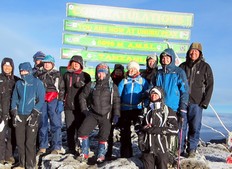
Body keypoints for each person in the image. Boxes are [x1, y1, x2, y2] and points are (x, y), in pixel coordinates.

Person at [78, 63, 120, 163]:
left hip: (107, 115)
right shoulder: (92, 85)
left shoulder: (112, 86)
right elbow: (82, 97)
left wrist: (117, 114)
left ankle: (101, 154)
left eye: (103, 73)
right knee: (82, 131)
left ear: (107, 73)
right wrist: (84, 110)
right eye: (99, 73)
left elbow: (116, 101)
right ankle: (84, 152)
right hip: (93, 113)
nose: (101, 75)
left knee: (104, 136)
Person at [151, 48, 189, 156]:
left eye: (167, 58)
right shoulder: (158, 73)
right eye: (163, 58)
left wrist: (183, 106)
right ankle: (162, 151)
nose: (164, 60)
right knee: (161, 130)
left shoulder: (178, 72)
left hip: (174, 107)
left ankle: (176, 151)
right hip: (159, 107)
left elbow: (185, 90)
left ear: (171, 59)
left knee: (175, 130)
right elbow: (151, 87)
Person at [179, 42, 214, 157]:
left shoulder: (205, 67)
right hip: (183, 102)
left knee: (194, 127)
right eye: (191, 51)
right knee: (181, 127)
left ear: (200, 53)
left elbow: (210, 85)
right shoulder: (182, 66)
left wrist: (205, 102)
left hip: (197, 103)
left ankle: (192, 150)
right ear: (188, 52)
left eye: (196, 51)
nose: (193, 53)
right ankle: (180, 149)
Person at [11, 62, 45, 169]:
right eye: (21, 71)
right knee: (20, 142)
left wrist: (35, 112)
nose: (23, 73)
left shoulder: (37, 83)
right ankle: (22, 164)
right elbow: (15, 99)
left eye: (25, 70)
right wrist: (14, 111)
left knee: (30, 142)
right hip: (20, 115)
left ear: (29, 70)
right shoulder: (18, 84)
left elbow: (41, 99)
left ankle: (30, 165)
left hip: (32, 115)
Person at [137, 86, 178, 169]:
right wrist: (144, 128)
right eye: (152, 94)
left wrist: (157, 130)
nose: (153, 96)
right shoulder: (145, 110)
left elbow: (175, 129)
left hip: (163, 148)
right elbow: (137, 127)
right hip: (147, 149)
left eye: (156, 94)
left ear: (160, 96)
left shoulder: (167, 111)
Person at [118, 61, 149, 158]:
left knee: (140, 131)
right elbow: (118, 95)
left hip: (138, 109)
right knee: (125, 133)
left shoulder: (142, 81)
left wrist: (145, 105)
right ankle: (125, 154)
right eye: (130, 68)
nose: (132, 70)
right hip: (125, 109)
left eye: (134, 69)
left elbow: (147, 94)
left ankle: (144, 152)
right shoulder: (124, 81)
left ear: (138, 70)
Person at [36, 55, 65, 155]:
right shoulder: (39, 74)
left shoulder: (57, 74)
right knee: (42, 124)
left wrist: (60, 101)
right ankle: (42, 146)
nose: (47, 65)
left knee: (55, 124)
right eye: (45, 63)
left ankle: (56, 147)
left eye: (49, 63)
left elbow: (62, 88)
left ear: (53, 64)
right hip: (42, 100)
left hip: (54, 100)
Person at [63, 55, 91, 155]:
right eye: (73, 62)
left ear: (81, 64)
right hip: (69, 106)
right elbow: (63, 89)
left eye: (77, 63)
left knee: (81, 128)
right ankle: (71, 148)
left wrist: (83, 83)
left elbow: (89, 91)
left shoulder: (86, 76)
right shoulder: (66, 75)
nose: (75, 64)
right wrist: (61, 101)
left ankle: (80, 147)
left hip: (81, 107)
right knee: (70, 128)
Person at [0, 58, 20, 165]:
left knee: (12, 136)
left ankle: (9, 156)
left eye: (9, 66)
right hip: (1, 112)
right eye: (5, 66)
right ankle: (1, 157)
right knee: (1, 135)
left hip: (13, 112)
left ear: (12, 67)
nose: (7, 68)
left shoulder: (17, 80)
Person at [106, 64, 125, 159]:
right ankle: (107, 152)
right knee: (109, 131)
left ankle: (124, 153)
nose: (118, 72)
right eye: (117, 70)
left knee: (124, 132)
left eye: (120, 71)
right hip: (110, 109)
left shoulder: (124, 81)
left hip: (122, 108)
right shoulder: (110, 80)